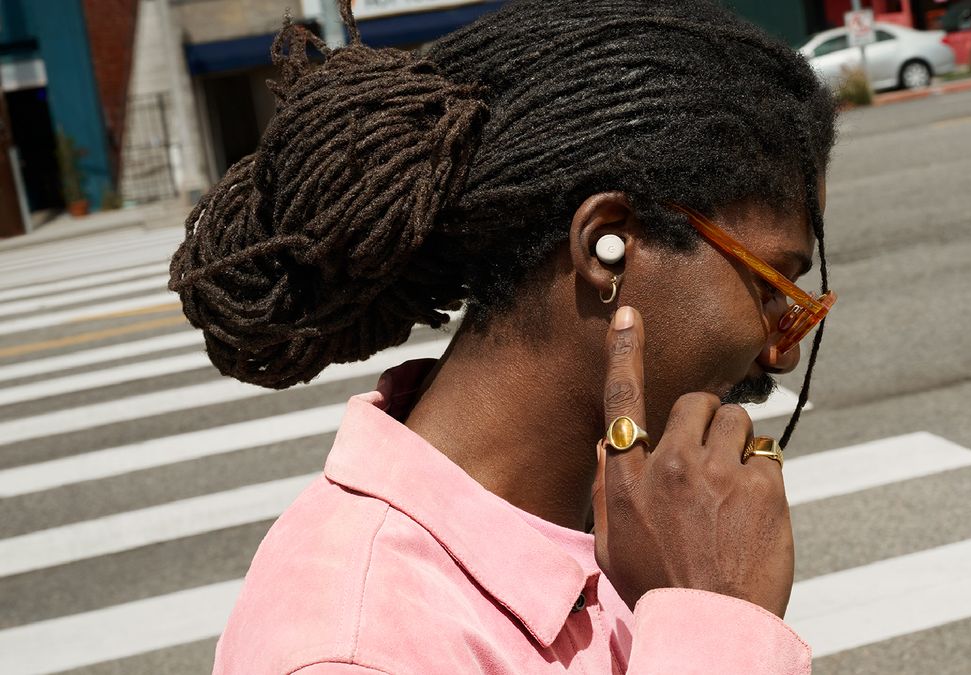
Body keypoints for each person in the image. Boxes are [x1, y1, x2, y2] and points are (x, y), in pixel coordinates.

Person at [169, 0, 838, 672]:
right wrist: (717, 628)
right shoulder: (356, 646)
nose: (783, 349)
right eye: (771, 284)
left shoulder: (641, 538)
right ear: (606, 246)